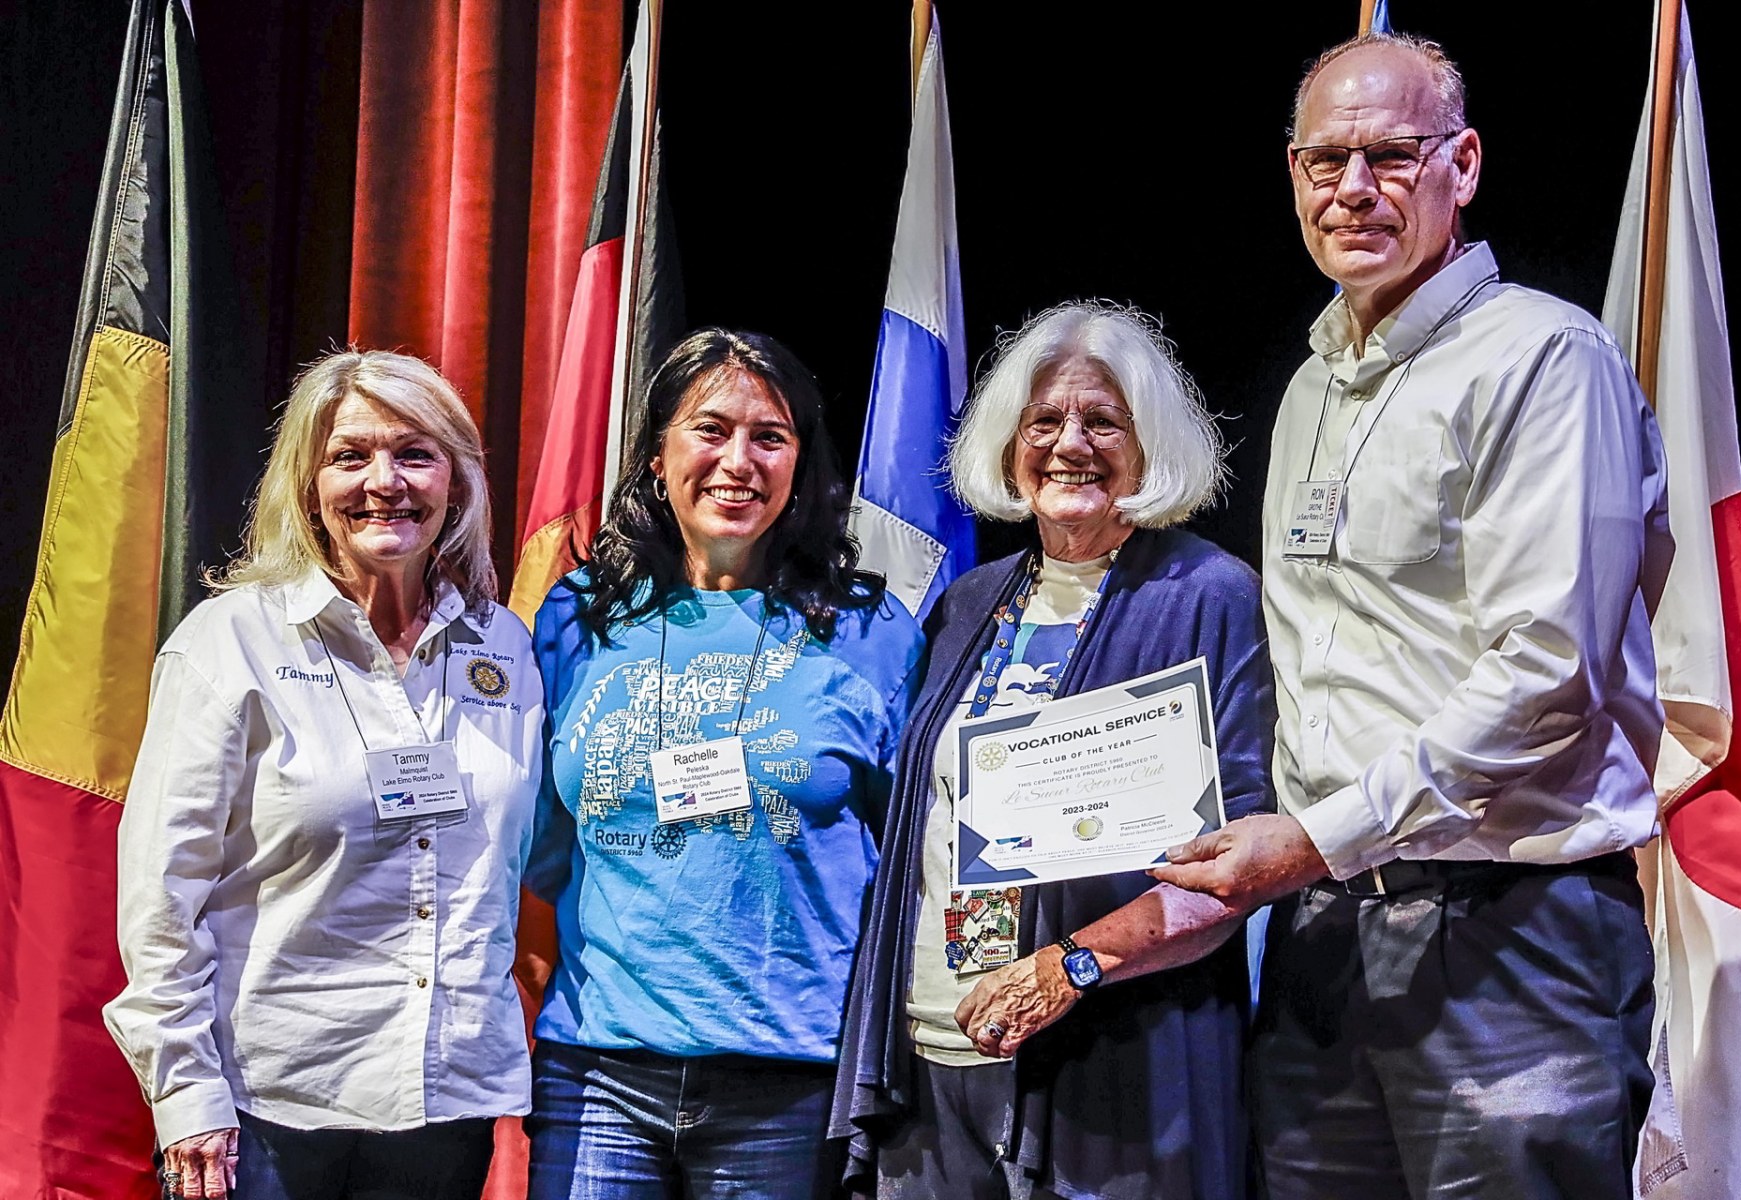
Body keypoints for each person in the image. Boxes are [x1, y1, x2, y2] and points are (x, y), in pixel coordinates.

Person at [1150, 33, 1672, 1200]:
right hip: (1321, 941)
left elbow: (1551, 671)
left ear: (1463, 164)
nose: (1353, 189)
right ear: (1292, 174)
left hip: (1512, 935)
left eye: (1390, 155)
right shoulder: (1308, 389)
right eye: (1323, 161)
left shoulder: (1544, 357)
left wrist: (1318, 838)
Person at [832, 300, 1275, 1200]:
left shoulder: (1210, 596)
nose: (1070, 443)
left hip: (1117, 1065)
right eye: (1044, 422)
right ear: (1009, 445)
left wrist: (1071, 965)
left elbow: (1238, 860)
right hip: (934, 1050)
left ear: (1149, 446)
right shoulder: (969, 601)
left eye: (1102, 421)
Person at [104, 350, 546, 1200]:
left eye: (414, 454)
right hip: (270, 1107)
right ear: (309, 485)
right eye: (351, 456)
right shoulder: (230, 642)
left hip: (446, 1103)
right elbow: (161, 894)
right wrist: (185, 1093)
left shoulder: (504, 646)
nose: (385, 481)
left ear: (456, 480)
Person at [522, 328, 925, 1200]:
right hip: (598, 1073)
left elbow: (913, 858)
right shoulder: (578, 616)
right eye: (710, 430)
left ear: (801, 466)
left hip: (791, 1081)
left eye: (769, 437)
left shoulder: (870, 631)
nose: (738, 461)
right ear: (658, 455)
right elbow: (545, 843)